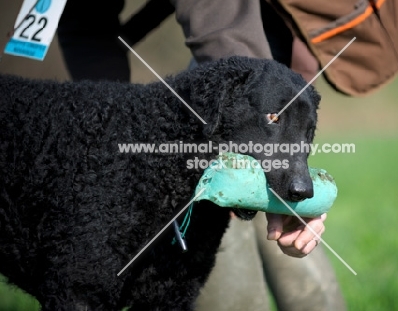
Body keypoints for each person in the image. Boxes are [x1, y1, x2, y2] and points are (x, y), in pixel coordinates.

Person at [57, 1, 346, 310]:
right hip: (225, 33)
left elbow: (224, 22)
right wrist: (113, 127)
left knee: (233, 136)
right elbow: (84, 24)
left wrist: (281, 187)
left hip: (267, 25)